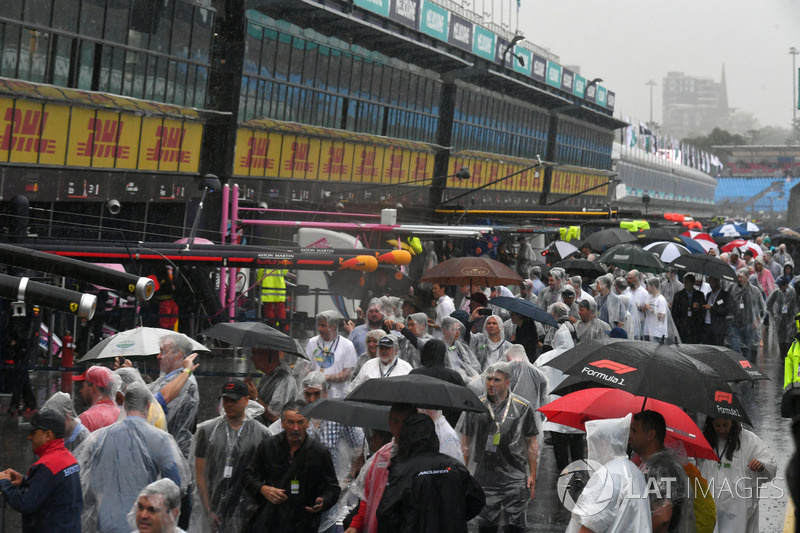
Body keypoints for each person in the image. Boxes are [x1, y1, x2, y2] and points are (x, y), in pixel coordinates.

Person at [75, 382, 188, 533]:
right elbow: (174, 484)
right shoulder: (160, 439)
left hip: (107, 522)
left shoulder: (100, 438)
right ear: (148, 405)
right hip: (144, 522)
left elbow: (87, 482)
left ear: (124, 404)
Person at [458, 362, 539, 533]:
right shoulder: (475, 406)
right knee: (487, 527)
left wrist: (532, 474)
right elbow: (464, 442)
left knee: (515, 526)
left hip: (515, 475)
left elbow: (531, 442)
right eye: (488, 379)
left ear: (508, 382)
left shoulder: (522, 407)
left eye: (496, 379)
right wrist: (465, 473)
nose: (491, 384)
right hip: (485, 475)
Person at [243, 400, 341, 532]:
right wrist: (263, 489)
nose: (295, 428)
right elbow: (249, 477)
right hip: (271, 521)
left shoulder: (319, 452)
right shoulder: (268, 446)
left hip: (304, 522)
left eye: (300, 422)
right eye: (290, 422)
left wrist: (324, 501)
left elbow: (333, 488)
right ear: (282, 423)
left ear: (307, 423)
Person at [376, 413, 485, 532]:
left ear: (406, 437)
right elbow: (477, 499)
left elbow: (386, 512)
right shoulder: (454, 466)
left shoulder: (402, 471)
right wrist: (454, 518)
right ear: (433, 436)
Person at [190, 380, 270, 533]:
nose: (229, 404)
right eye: (225, 400)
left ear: (247, 400)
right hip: (215, 508)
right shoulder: (207, 432)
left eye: (234, 400)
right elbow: (200, 474)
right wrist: (208, 510)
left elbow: (265, 475)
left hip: (247, 510)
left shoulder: (261, 434)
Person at [565, 414, 652, 533]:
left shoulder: (608, 476)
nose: (589, 449)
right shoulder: (633, 470)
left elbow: (591, 525)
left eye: (592, 442)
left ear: (605, 442)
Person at [0, 410, 82, 532]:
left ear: (48, 435)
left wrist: (5, 483)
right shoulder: (68, 458)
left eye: (33, 433)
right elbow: (52, 487)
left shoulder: (47, 465)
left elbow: (25, 503)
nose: (29, 437)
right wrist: (24, 481)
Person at [345, 403, 417, 533]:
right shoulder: (381, 456)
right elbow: (368, 496)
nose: (400, 427)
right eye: (395, 421)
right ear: (389, 423)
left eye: (405, 422)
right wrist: (355, 525)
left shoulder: (421, 458)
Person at [698, 418, 777, 533]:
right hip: (710, 504)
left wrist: (761, 465)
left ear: (733, 423)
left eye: (725, 425)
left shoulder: (748, 440)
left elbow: (770, 461)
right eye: (717, 425)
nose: (722, 429)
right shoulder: (702, 440)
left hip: (738, 507)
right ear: (711, 424)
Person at [628, 411, 692, 533]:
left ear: (651, 435)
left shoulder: (662, 467)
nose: (630, 435)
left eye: (634, 431)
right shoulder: (652, 464)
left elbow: (663, 517)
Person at [534, 324, 585, 473]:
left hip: (554, 405)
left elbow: (537, 378)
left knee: (559, 440)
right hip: (576, 405)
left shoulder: (544, 357)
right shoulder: (581, 356)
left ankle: (563, 470)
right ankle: (578, 470)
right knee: (577, 438)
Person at [148, 334, 201, 458]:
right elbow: (143, 395)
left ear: (178, 355)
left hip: (172, 452)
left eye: (163, 351)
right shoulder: (167, 379)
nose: (158, 356)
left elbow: (157, 402)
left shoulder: (184, 383)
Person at [409, 339, 466, 428]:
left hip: (418, 426)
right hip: (449, 425)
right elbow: (463, 401)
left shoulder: (415, 374)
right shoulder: (453, 376)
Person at [305, 310, 359, 398]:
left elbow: (348, 373)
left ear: (333, 327)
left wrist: (326, 378)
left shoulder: (347, 345)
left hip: (338, 396)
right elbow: (305, 367)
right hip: (315, 395)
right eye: (318, 325)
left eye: (323, 325)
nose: (319, 329)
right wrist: (314, 378)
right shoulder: (312, 342)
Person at [244, 347, 297, 425]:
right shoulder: (268, 376)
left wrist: (255, 398)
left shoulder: (284, 379)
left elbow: (276, 417)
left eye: (255, 353)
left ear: (269, 356)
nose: (252, 358)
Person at [349, 335, 413, 392]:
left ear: (396, 350)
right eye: (381, 348)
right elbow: (353, 389)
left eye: (387, 348)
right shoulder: (368, 365)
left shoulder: (406, 367)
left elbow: (411, 391)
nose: (383, 351)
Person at [73, 365, 121, 432]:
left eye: (83, 386)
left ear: (93, 387)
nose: (80, 391)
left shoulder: (87, 418)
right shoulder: (121, 413)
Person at [729, 267, 762, 362]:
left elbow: (760, 307)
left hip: (748, 324)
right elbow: (727, 302)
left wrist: (756, 320)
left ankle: (747, 368)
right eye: (738, 277)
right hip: (735, 323)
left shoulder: (754, 291)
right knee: (735, 347)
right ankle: (737, 368)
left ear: (747, 277)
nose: (739, 279)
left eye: (742, 277)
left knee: (747, 347)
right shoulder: (732, 288)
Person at [767, 276, 798, 358]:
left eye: (781, 285)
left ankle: (789, 355)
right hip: (780, 320)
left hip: (791, 319)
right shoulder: (777, 292)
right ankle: (782, 356)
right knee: (781, 339)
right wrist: (774, 314)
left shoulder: (793, 292)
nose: (780, 287)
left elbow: (796, 306)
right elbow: (768, 303)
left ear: (786, 285)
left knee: (790, 338)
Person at [671, 273, 705, 344]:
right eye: (684, 282)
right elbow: (674, 312)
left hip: (695, 327)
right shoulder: (678, 295)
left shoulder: (700, 295)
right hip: (682, 326)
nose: (686, 284)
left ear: (693, 283)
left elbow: (703, 311)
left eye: (688, 282)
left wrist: (698, 307)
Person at [702, 276, 731, 346]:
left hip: (718, 327)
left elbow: (725, 310)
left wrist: (712, 308)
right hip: (707, 325)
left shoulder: (725, 295)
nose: (711, 285)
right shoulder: (709, 295)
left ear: (717, 282)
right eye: (709, 283)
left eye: (712, 282)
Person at [642, 277, 669, 342]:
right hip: (648, 331)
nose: (646, 288)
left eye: (648, 286)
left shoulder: (661, 299)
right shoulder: (649, 297)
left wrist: (652, 310)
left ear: (652, 287)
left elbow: (662, 317)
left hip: (657, 333)